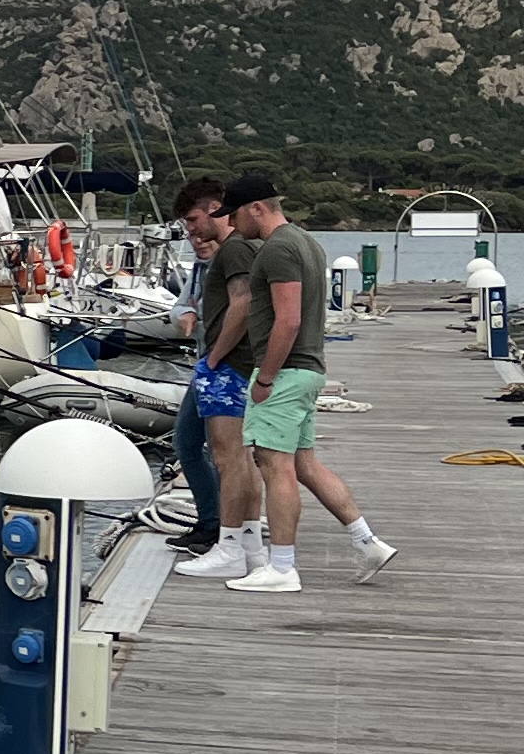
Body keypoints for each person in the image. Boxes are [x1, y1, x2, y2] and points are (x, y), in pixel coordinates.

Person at [216, 174, 395, 593]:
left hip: (286, 372)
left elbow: (289, 319)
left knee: (274, 466)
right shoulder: (308, 243)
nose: (232, 224)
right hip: (309, 369)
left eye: (235, 215)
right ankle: (367, 542)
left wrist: (266, 377)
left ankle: (282, 568)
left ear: (256, 208)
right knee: (304, 465)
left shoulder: (277, 249)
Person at [169, 181, 269, 582]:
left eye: (194, 219)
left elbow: (243, 303)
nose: (191, 230)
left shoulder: (235, 250)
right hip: (232, 366)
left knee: (230, 459)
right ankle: (250, 546)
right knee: (234, 457)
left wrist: (213, 358)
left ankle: (228, 546)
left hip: (227, 367)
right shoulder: (233, 251)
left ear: (215, 208)